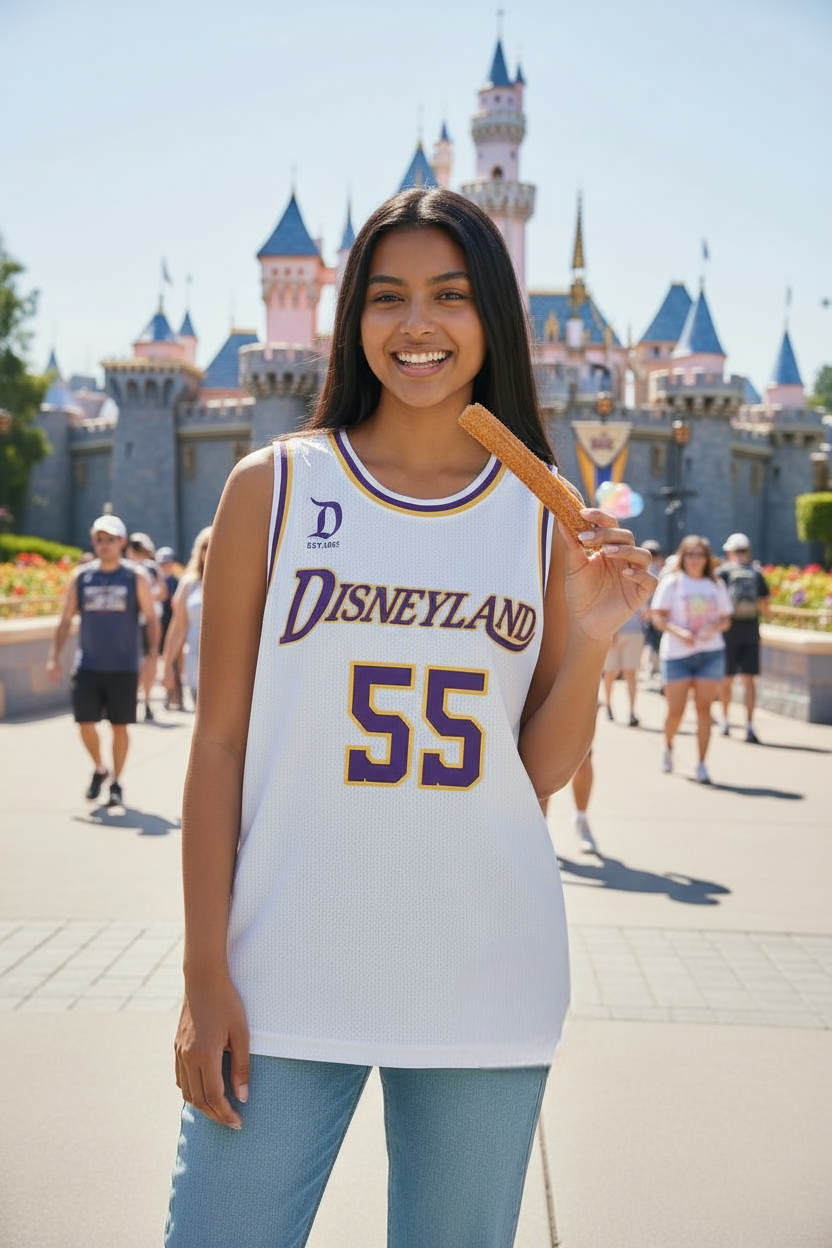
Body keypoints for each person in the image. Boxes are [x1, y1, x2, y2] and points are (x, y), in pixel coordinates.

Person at [164, 188, 655, 1248]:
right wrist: (206, 972)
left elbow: (531, 776)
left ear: (494, 319)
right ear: (350, 317)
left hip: (484, 966)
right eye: (386, 297)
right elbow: (217, 745)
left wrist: (595, 635)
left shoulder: (544, 514)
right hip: (281, 965)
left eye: (450, 294)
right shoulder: (274, 487)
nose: (416, 323)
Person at [47, 514, 159, 807]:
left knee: (119, 726)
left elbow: (150, 618)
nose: (104, 545)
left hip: (123, 666)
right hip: (88, 665)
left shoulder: (134, 577)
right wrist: (53, 657)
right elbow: (65, 619)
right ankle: (100, 767)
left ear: (122, 542)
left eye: (110, 539)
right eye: (99, 539)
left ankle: (117, 781)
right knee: (85, 723)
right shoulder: (82, 576)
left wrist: (152, 655)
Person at [650, 534, 733, 784]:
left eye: (700, 555)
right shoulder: (672, 583)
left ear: (707, 559)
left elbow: (726, 618)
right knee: (676, 711)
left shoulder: (715, 584)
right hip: (677, 654)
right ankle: (668, 744)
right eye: (690, 554)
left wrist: (712, 629)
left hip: (709, 653)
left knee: (704, 709)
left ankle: (701, 763)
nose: (695, 560)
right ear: (683, 557)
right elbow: (657, 617)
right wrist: (679, 632)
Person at [717, 533, 770, 743]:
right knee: (749, 681)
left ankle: (725, 719)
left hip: (727, 631)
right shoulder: (756, 573)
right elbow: (765, 605)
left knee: (726, 679)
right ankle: (749, 724)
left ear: (729, 551)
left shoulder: (723, 573)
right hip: (750, 631)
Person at [162, 527, 210, 709]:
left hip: (228, 666)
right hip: (196, 664)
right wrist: (167, 669)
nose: (210, 549)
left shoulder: (235, 580)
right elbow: (178, 628)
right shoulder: (189, 584)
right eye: (205, 546)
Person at [127, 531, 166, 721]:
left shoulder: (151, 569)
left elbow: (163, 592)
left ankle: (147, 700)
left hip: (149, 621)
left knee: (150, 659)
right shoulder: (125, 569)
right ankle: (133, 698)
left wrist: (147, 598)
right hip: (130, 623)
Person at [601, 605, 643, 725]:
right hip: (612, 633)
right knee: (610, 672)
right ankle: (608, 705)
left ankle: (632, 711)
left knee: (630, 673)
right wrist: (612, 628)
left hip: (634, 632)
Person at [157, 546, 183, 710]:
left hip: (173, 625)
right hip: (160, 626)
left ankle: (177, 698)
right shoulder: (156, 580)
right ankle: (168, 696)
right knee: (165, 663)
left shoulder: (176, 581)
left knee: (176, 663)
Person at [640, 539, 665, 685]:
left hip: (651, 614)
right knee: (652, 644)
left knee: (653, 644)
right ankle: (651, 670)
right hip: (648, 614)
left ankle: (652, 671)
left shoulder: (657, 572)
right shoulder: (658, 571)